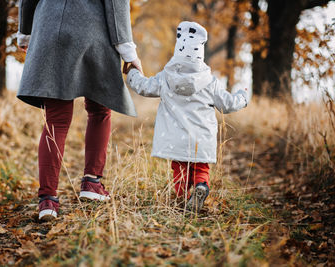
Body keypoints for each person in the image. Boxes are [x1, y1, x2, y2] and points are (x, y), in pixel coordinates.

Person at [17, 0, 143, 221]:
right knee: (99, 109)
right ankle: (92, 183)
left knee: (55, 121)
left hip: (48, 28)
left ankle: (47, 201)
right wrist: (127, 49)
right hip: (93, 32)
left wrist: (25, 32)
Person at [124, 21, 249, 212]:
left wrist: (132, 72)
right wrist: (243, 96)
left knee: (179, 170)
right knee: (201, 169)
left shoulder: (165, 77)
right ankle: (200, 186)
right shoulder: (209, 81)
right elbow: (228, 104)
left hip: (176, 139)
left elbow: (143, 86)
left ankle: (182, 199)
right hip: (202, 139)